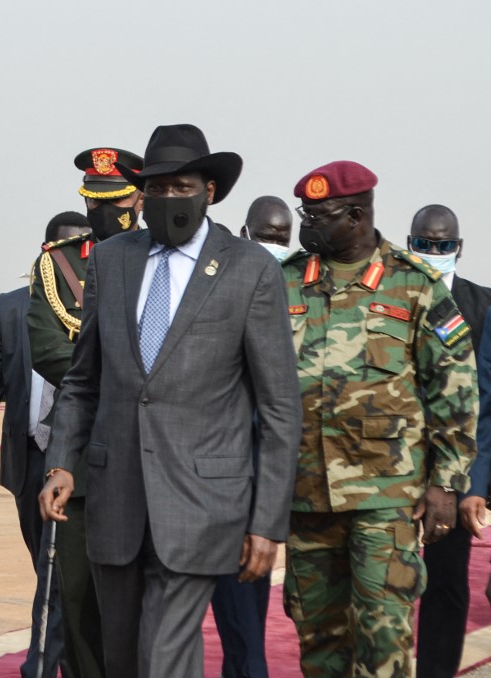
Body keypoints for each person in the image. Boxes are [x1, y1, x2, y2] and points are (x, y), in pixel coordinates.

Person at [40, 124, 302, 678]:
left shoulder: (248, 268)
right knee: (123, 660)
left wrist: (268, 521)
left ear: (210, 191)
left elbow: (279, 406)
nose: (166, 200)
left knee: (164, 656)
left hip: (203, 503)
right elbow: (84, 380)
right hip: (117, 500)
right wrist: (62, 460)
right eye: (155, 189)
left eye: (180, 187)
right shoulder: (111, 261)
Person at [281, 162, 477, 677]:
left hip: (386, 497)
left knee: (383, 635)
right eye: (305, 213)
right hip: (305, 493)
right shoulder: (283, 283)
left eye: (318, 215)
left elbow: (454, 387)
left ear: (356, 214)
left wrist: (447, 484)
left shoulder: (416, 285)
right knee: (318, 639)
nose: (308, 224)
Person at [0, 211, 91, 678]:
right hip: (29, 460)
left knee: (59, 577)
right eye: (65, 251)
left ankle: (42, 666)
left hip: (85, 465)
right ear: (46, 252)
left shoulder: (106, 299)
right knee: (47, 570)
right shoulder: (13, 308)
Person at [27, 147, 144, 678]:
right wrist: (118, 380)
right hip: (84, 456)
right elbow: (50, 351)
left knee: (149, 608)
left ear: (137, 198)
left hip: (152, 459)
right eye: (92, 201)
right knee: (77, 604)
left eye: (113, 201)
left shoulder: (162, 262)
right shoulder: (61, 265)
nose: (101, 211)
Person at [205, 194, 295, 678]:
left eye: (282, 240)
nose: (272, 248)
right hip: (218, 478)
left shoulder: (300, 293)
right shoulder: (222, 286)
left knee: (247, 627)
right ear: (243, 232)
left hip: (265, 487)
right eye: (264, 237)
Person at [408, 204, 491, 678]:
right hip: (394, 471)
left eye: (443, 246)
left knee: (447, 584)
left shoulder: (481, 306)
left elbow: (484, 403)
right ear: (410, 243)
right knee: (386, 585)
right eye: (424, 244)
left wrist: (473, 484)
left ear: (458, 249)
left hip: (453, 475)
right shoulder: (393, 299)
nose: (433, 253)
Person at [240, 195, 293, 262]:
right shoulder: (225, 266)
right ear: (244, 233)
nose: (275, 248)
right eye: (266, 239)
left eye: (282, 242)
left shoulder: (296, 271)